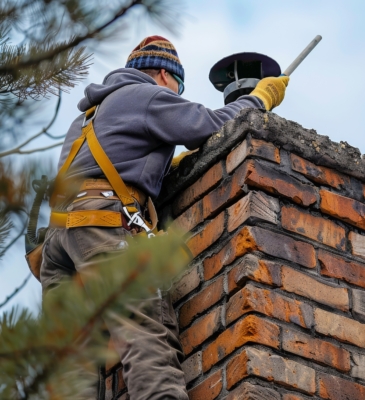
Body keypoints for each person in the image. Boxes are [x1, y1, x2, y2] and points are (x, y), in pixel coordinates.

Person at [40, 35, 289, 399]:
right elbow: (210, 124)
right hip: (102, 228)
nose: (177, 92)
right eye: (179, 84)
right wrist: (259, 98)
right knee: (144, 333)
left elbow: (115, 162)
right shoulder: (144, 95)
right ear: (162, 73)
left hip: (59, 246)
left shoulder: (87, 117)